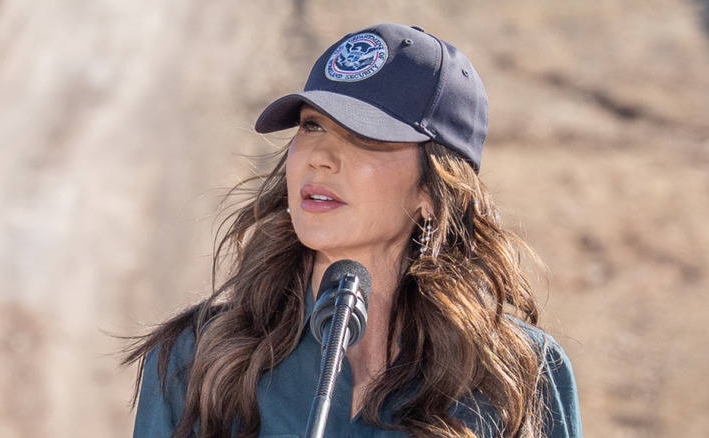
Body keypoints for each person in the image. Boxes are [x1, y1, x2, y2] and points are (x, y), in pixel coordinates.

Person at [124, 23, 582, 438]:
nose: (320, 157)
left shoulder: (517, 373)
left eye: (366, 138)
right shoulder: (194, 360)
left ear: (433, 188)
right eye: (312, 126)